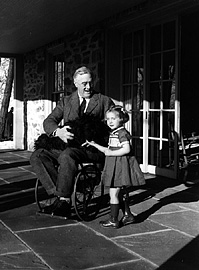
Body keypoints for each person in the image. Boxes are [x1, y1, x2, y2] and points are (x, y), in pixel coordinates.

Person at [30, 66, 114, 218]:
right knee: (38, 155)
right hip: (69, 146)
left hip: (91, 150)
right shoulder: (67, 101)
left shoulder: (103, 101)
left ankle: (64, 199)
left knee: (67, 155)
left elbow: (114, 127)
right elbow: (49, 121)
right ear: (76, 83)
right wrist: (58, 132)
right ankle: (61, 194)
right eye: (84, 84)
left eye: (90, 82)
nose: (88, 87)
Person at [86, 105, 145, 228]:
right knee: (119, 193)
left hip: (119, 166)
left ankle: (114, 219)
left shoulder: (122, 133)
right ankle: (128, 215)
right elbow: (108, 150)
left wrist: (111, 153)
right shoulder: (114, 132)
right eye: (108, 119)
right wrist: (95, 144)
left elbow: (127, 149)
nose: (110, 121)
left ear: (122, 119)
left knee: (113, 194)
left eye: (113, 118)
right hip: (114, 165)